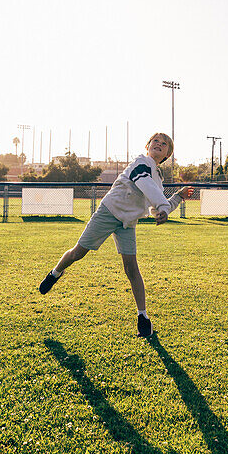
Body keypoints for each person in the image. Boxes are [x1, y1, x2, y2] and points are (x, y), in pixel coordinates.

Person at [38, 132, 190, 336]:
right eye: (156, 141)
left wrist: (176, 198)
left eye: (164, 144)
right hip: (109, 212)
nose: (159, 144)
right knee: (78, 253)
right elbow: (146, 186)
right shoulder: (140, 162)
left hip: (127, 222)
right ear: (147, 146)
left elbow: (157, 207)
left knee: (131, 268)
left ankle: (142, 317)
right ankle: (55, 272)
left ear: (167, 155)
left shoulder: (158, 177)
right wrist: (162, 204)